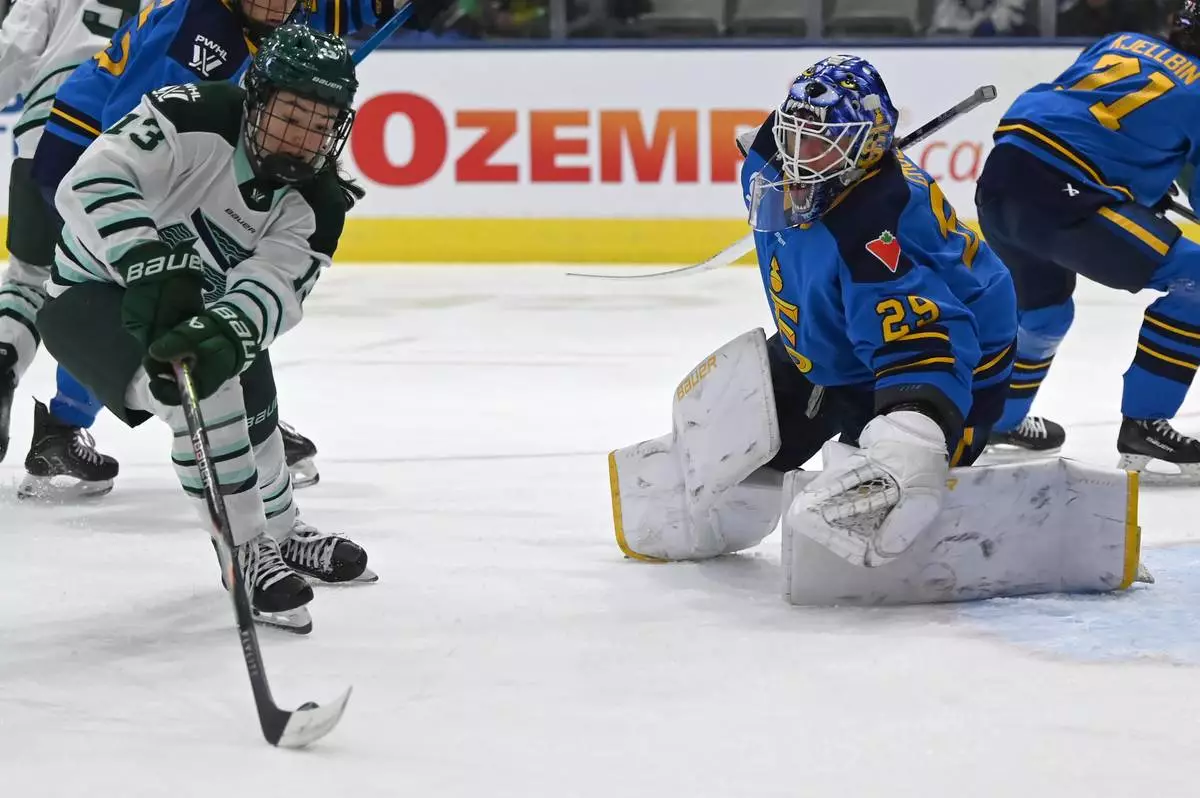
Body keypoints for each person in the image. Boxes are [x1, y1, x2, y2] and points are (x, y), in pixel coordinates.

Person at [605, 56, 1150, 605]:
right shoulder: (770, 160)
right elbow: (778, 147)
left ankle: (1028, 522)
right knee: (728, 455)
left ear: (866, 148)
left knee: (874, 505)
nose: (800, 159)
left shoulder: (873, 236)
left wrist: (913, 437)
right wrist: (801, 147)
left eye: (821, 145)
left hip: (953, 359)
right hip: (827, 341)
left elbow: (927, 342)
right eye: (795, 137)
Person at [11, 0, 450, 498]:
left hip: (125, 148)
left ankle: (77, 427)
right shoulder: (198, 32)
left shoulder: (283, 11)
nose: (281, 6)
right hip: (91, 154)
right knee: (153, 283)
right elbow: (129, 126)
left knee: (215, 272)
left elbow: (342, 9)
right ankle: (97, 423)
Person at [36, 23, 375, 633]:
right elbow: (90, 181)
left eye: (319, 124)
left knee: (255, 401)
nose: (301, 138)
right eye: (289, 116)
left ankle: (283, 531)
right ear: (257, 98)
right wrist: (146, 261)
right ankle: (243, 551)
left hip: (194, 304)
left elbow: (272, 289)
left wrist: (228, 330)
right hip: (88, 297)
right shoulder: (194, 114)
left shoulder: (320, 204)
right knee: (204, 396)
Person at [976, 0, 1200, 483]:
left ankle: (1001, 420)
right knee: (1197, 278)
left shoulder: (1120, 41)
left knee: (1045, 313)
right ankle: (1145, 424)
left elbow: (1091, 118)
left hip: (1001, 178)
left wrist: (1140, 181)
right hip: (1065, 195)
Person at [0, 0, 145, 497]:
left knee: (28, 277)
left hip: (43, 133)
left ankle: (3, 357)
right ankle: (63, 428)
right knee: (104, 288)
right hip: (120, 141)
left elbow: (12, 50)